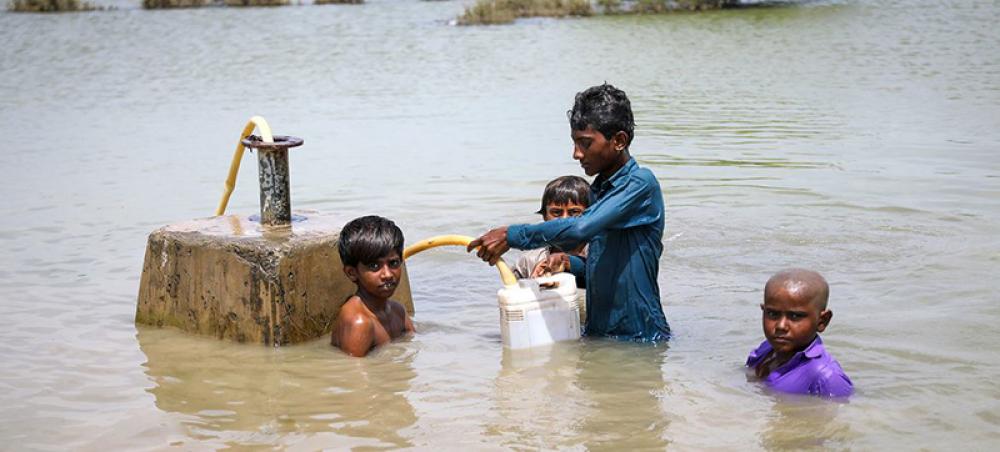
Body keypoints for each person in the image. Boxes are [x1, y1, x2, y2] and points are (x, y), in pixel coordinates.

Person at [468, 83, 670, 342]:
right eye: (575, 142)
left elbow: (579, 229)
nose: (576, 153)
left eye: (585, 143)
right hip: (599, 337)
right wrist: (567, 264)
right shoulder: (599, 190)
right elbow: (605, 271)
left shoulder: (640, 185)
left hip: (641, 339)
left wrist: (511, 235)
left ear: (619, 140)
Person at [746, 269, 853, 397]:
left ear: (822, 321)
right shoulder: (766, 350)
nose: (781, 326)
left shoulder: (826, 378)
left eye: (795, 316)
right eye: (772, 314)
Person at [331, 215, 415, 357]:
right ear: (352, 273)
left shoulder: (397, 311)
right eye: (374, 266)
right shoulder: (360, 323)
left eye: (393, 263)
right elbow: (352, 375)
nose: (387, 274)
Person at [511, 175, 591, 280]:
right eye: (556, 212)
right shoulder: (528, 261)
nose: (564, 220)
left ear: (590, 215)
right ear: (544, 216)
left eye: (574, 212)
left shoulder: (597, 253)